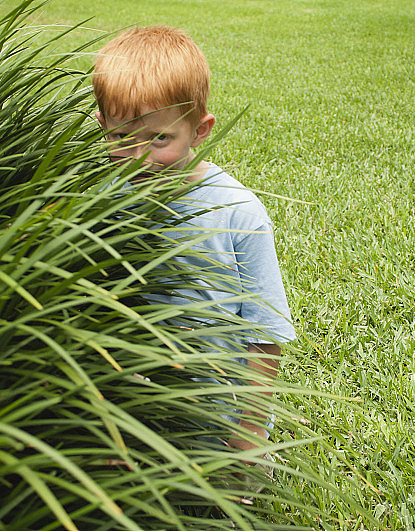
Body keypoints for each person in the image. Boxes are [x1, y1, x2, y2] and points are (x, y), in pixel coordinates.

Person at [92, 26, 295, 455]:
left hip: (221, 418)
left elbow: (266, 332)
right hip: (135, 411)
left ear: (200, 131)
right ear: (102, 125)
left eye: (159, 138)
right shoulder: (104, 199)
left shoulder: (239, 213)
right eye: (121, 137)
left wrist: (249, 430)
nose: (138, 158)